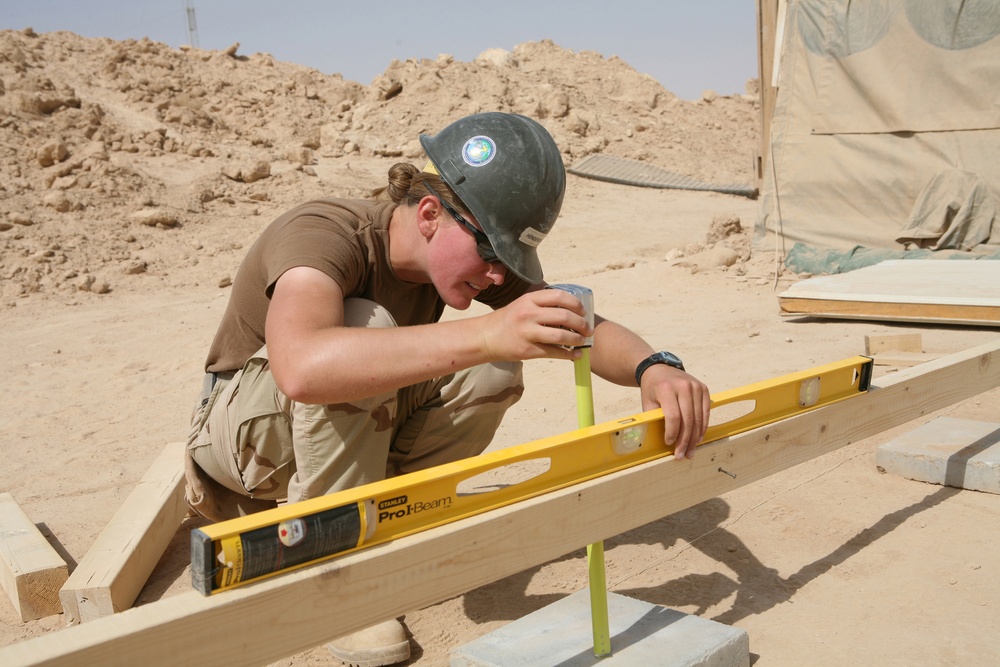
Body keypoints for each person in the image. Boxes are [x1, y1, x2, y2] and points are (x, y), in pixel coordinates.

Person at [184, 111, 711, 666]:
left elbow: (572, 321)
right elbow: (303, 368)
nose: (498, 276)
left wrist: (655, 366)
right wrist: (489, 332)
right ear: (431, 214)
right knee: (373, 328)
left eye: (508, 261)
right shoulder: (324, 232)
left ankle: (388, 518)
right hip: (244, 446)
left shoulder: (467, 260)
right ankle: (338, 573)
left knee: (495, 364)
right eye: (489, 253)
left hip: (315, 438)